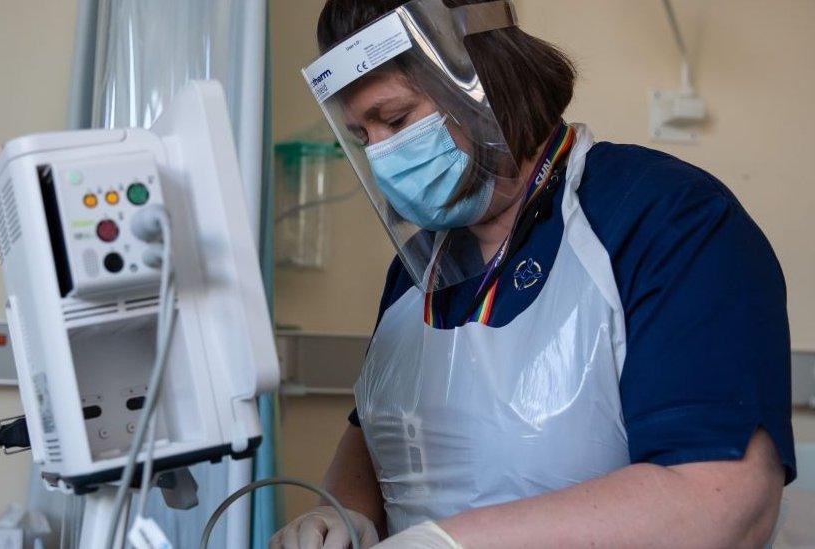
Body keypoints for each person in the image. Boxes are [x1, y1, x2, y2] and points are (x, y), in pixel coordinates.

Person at [270, 0, 796, 547]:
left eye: (396, 120)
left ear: (485, 80)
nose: (381, 156)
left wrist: (452, 543)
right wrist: (344, 516)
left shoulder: (669, 223)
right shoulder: (418, 272)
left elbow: (727, 504)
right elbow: (384, 433)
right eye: (362, 138)